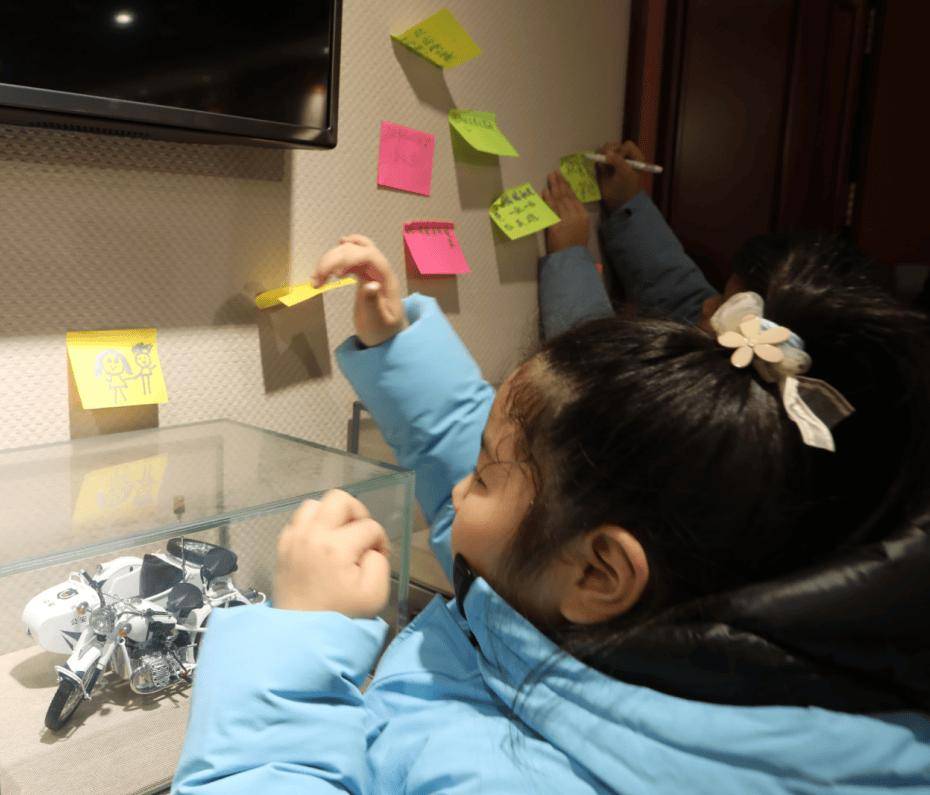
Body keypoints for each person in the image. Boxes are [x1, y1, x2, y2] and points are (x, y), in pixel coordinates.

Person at [173, 233, 930, 794]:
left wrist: (297, 646)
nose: (457, 491)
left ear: (600, 572)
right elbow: (523, 496)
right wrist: (398, 346)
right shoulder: (616, 600)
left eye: (481, 476)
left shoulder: (505, 776)